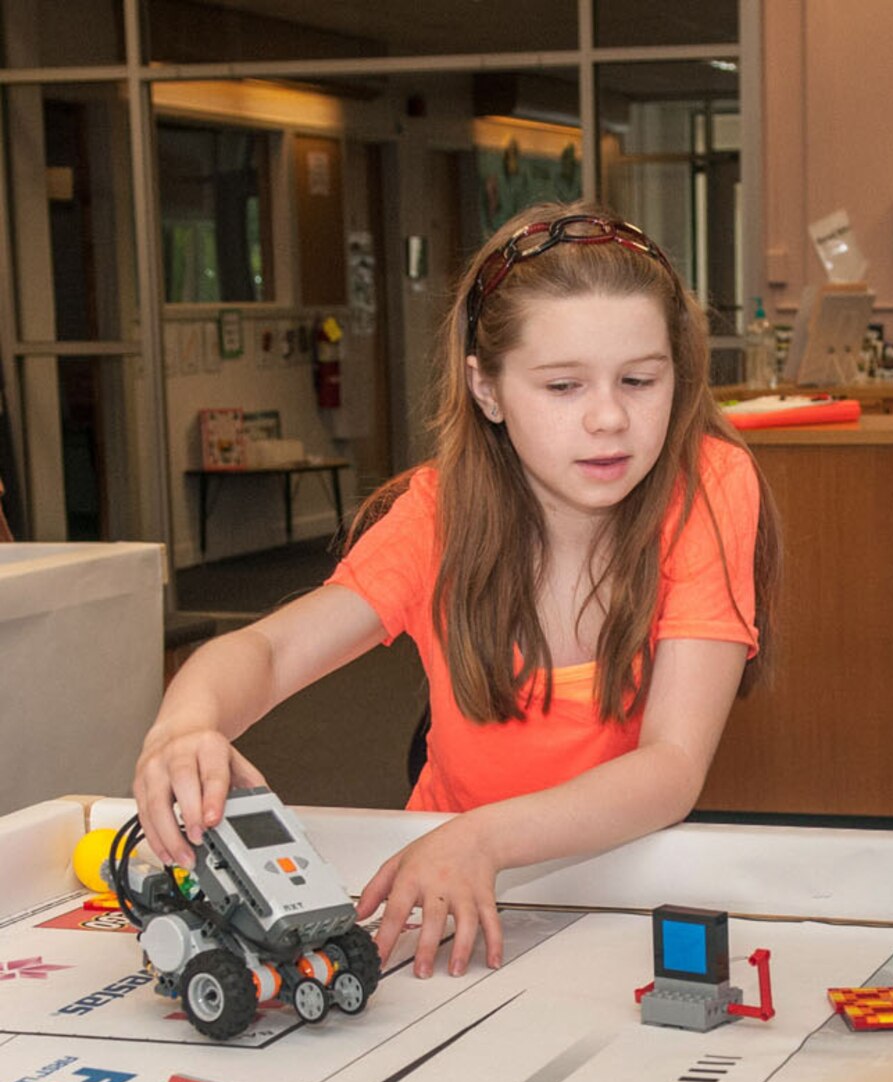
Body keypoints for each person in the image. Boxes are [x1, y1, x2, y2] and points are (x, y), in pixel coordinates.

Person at [133, 202, 775, 983]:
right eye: (563, 385)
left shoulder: (709, 486)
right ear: (488, 389)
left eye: (640, 380)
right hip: (443, 888)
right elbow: (268, 652)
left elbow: (671, 764)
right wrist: (184, 726)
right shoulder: (437, 513)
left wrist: (484, 838)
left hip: (615, 882)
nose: (609, 417)